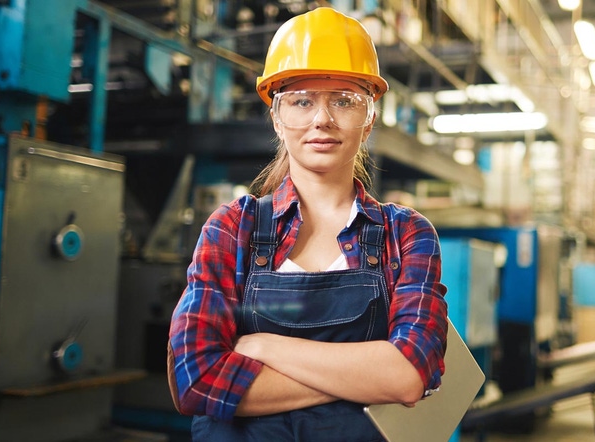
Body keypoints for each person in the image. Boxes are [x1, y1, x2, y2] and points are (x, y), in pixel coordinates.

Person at [167, 6, 448, 441]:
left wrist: (264, 347)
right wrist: (366, 376)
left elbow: (410, 374)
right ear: (277, 118)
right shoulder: (232, 228)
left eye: (344, 101)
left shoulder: (406, 234)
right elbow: (197, 378)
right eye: (301, 101)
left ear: (369, 117)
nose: (322, 119)